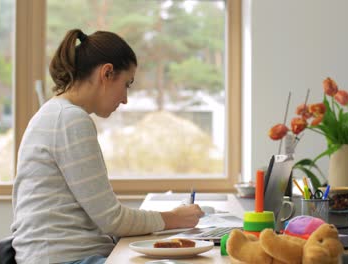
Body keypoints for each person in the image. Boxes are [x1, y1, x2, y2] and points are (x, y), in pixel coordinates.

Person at [11, 29, 204, 264]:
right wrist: (175, 218)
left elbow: (107, 217)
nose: (125, 99)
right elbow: (112, 220)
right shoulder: (70, 120)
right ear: (107, 73)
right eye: (127, 84)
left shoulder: (56, 114)